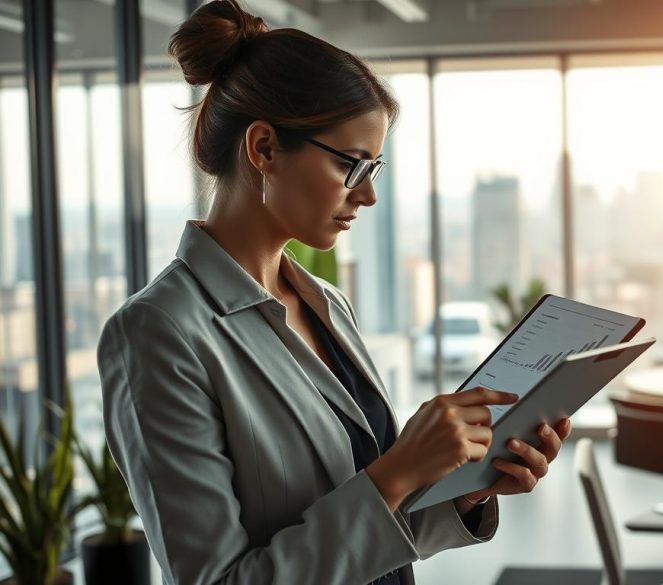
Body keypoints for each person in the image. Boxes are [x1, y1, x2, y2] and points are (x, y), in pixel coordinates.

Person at [96, 1, 571, 583]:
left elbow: (372, 533)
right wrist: (397, 472)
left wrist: (465, 492)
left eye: (374, 168)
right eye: (352, 166)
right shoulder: (158, 332)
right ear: (264, 148)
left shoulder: (326, 303)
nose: (366, 195)